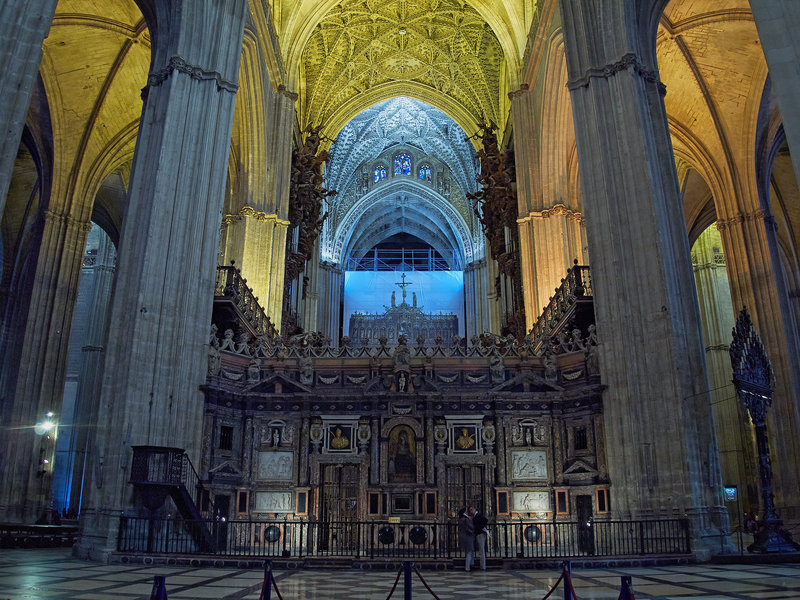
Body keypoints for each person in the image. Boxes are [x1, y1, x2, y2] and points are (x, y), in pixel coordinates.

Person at [458, 507, 475, 571]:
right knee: (469, 552)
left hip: (463, 536)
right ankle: (467, 567)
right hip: (468, 537)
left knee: (469, 552)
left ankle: (471, 564)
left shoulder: (461, 519)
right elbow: (469, 527)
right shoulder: (466, 519)